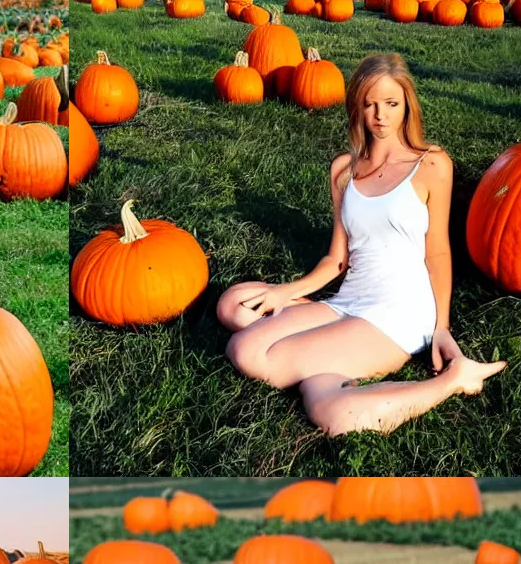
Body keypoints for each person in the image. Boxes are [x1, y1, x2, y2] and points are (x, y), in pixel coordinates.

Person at [215, 53, 504, 437]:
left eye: (391, 104)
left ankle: (453, 379)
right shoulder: (343, 171)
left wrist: (442, 326)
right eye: (369, 104)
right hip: (348, 301)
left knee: (249, 353)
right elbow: (337, 260)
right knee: (233, 306)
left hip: (397, 315)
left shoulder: (432, 165)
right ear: (357, 109)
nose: (380, 115)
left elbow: (437, 251)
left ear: (407, 105)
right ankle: (328, 381)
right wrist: (285, 291)